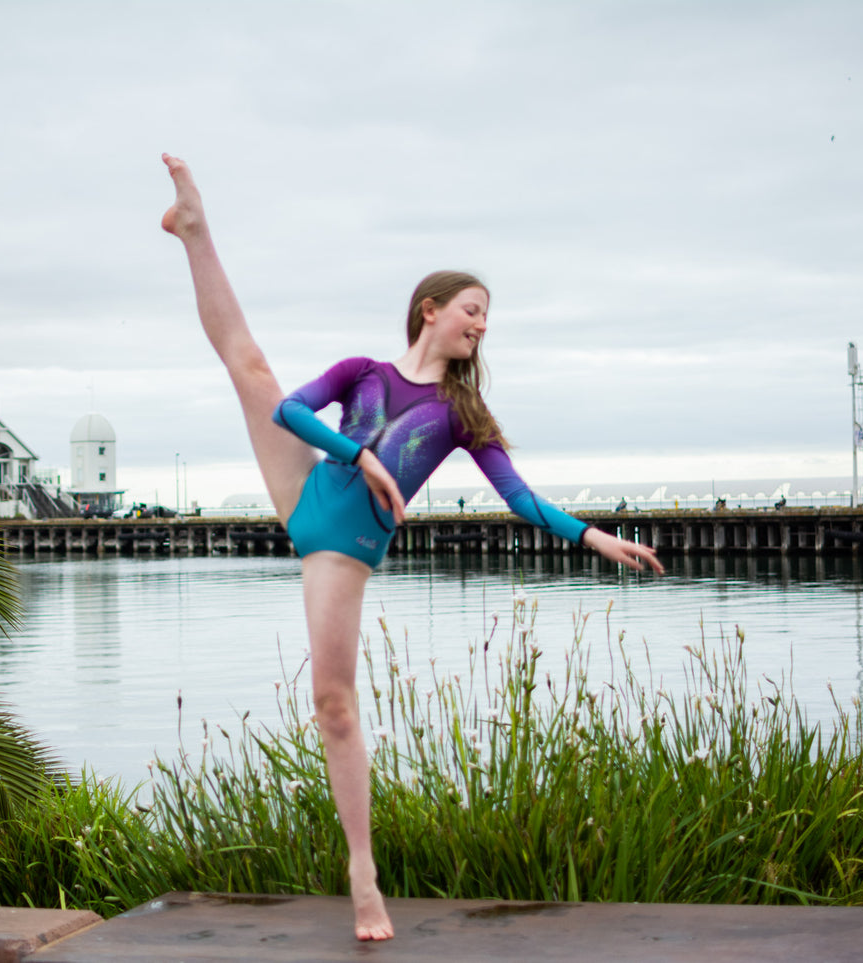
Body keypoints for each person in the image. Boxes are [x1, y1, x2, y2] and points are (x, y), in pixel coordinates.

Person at [160, 154, 663, 941]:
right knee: (249, 366)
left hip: (344, 543)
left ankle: (363, 875)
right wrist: (360, 456)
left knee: (333, 704)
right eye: (472, 308)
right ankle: (193, 229)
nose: (481, 323)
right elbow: (292, 412)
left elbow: (518, 497)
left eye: (487, 315)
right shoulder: (363, 372)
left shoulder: (462, 410)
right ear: (428, 310)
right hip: (314, 490)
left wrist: (593, 536)